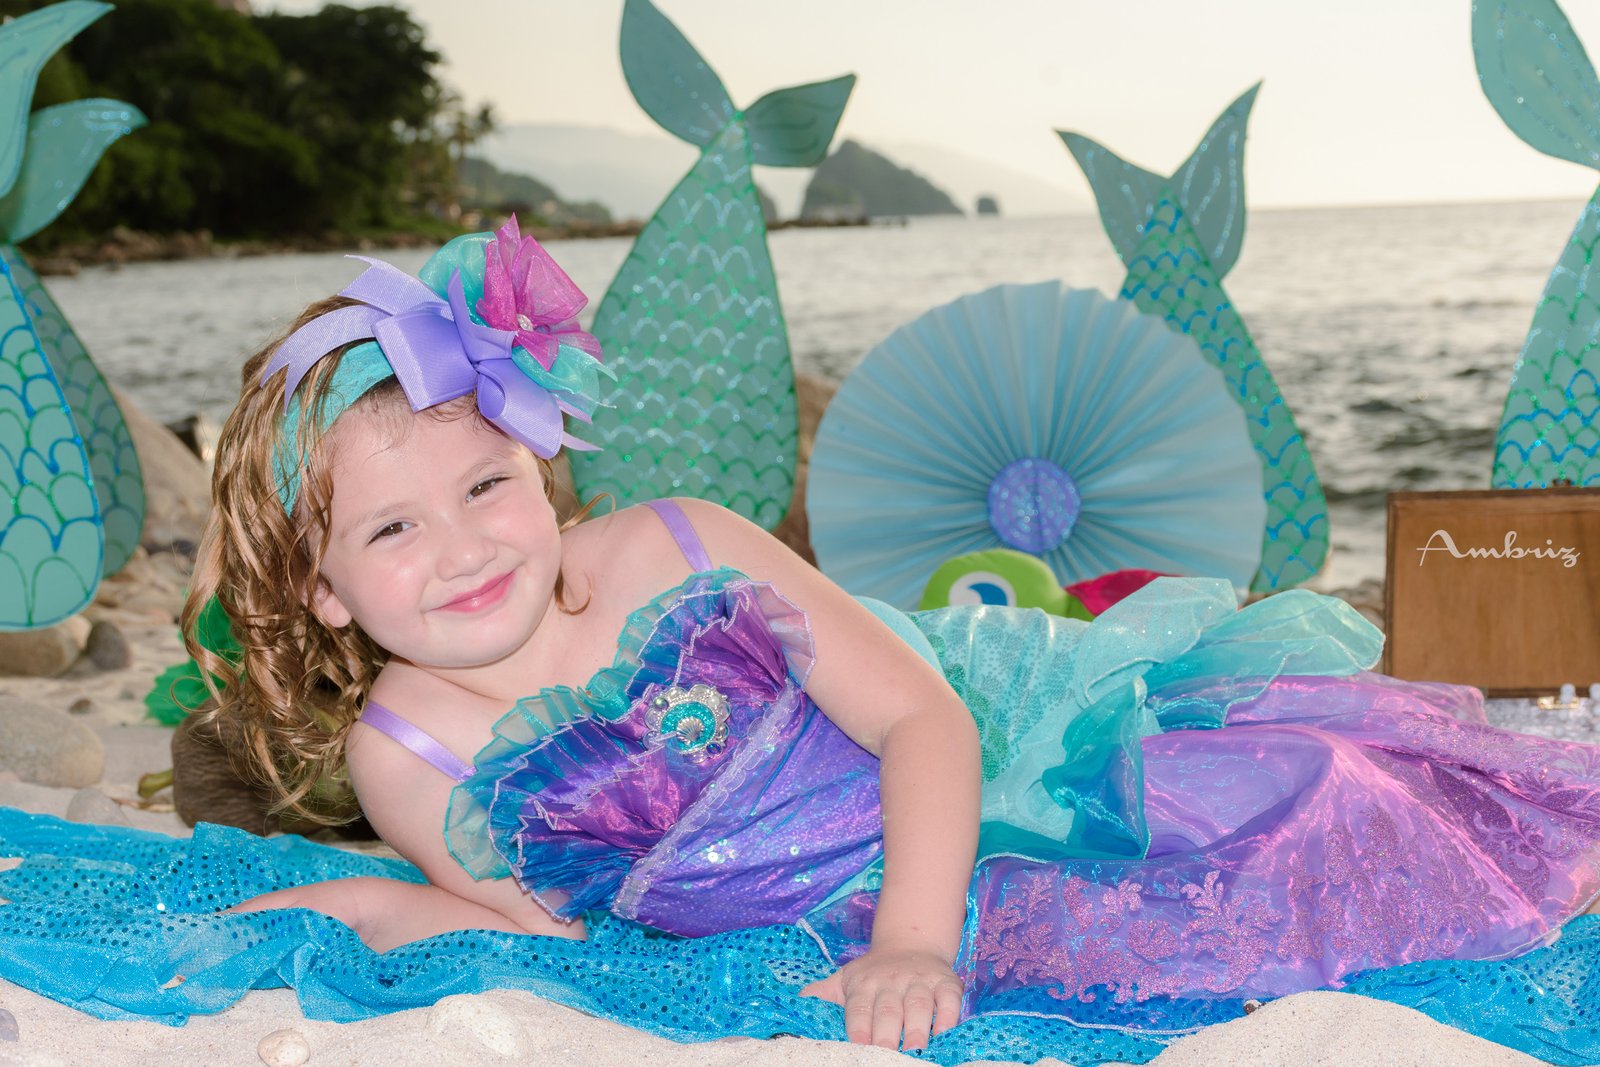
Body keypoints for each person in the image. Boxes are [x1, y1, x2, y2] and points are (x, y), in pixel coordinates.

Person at [183, 219, 1600, 1055]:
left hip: (970, 803)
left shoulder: (680, 549)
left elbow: (923, 720)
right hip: (797, 935)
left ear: (541, 462)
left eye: (485, 486)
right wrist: (361, 903)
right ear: (323, 590)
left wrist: (915, 943)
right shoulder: (406, 752)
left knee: (1309, 794)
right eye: (392, 529)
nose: (464, 546)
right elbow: (553, 944)